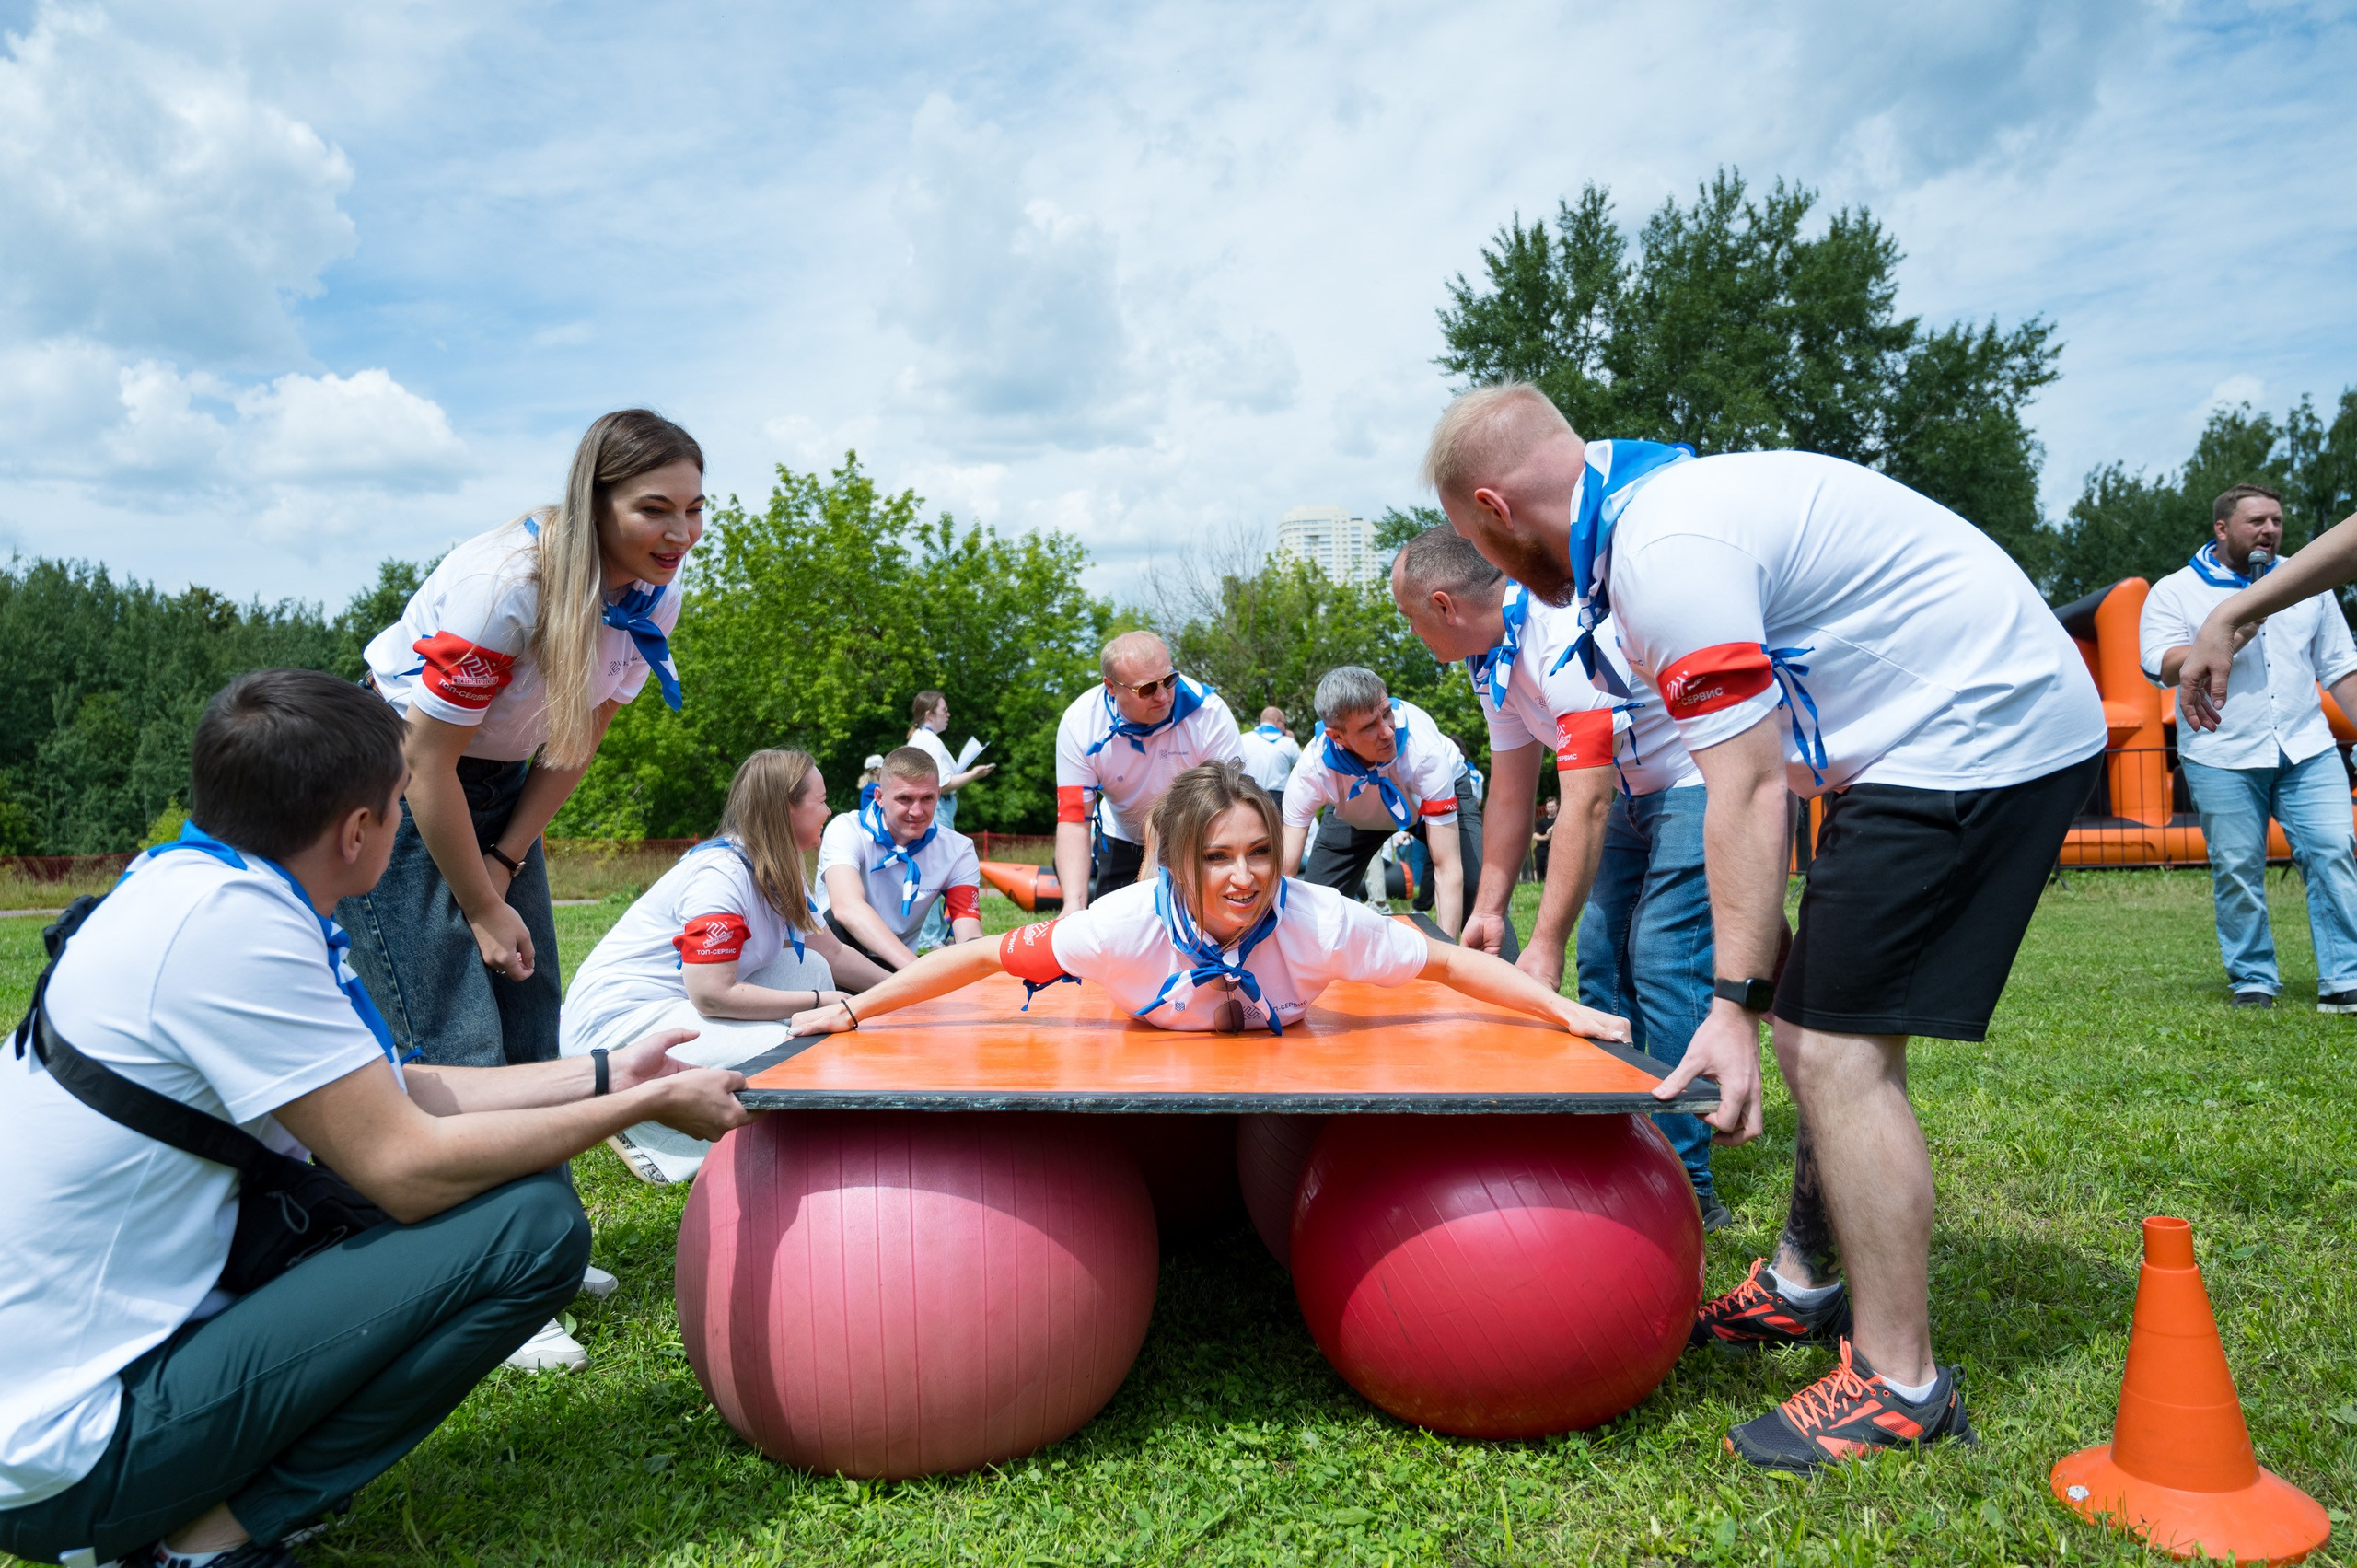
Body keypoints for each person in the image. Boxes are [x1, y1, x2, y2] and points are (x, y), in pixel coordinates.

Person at [1428, 382, 2105, 1470]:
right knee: (1817, 1019)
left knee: (1827, 1045)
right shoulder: (1647, 522)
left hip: (1977, 726)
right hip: (1911, 739)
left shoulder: (1663, 547)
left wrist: (1732, 1003)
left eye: (1478, 544)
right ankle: (1804, 1280)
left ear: (1496, 506)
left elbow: (1743, 790)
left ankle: (1899, 1382)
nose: (1496, 571)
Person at [0, 670, 751, 1568]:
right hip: (72, 1458)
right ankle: (205, 1542)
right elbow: (407, 1162)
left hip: (56, 1401)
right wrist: (644, 1105)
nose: (405, 827)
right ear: (360, 830)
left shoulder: (191, 885)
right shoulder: (236, 929)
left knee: (422, 1205)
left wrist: (604, 1072)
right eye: (403, 804)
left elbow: (394, 1090)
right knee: (532, 1226)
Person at [340, 407, 702, 1371]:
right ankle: (483, 1280)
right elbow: (425, 767)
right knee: (455, 1026)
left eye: (696, 509)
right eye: (656, 507)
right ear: (596, 499)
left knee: (529, 1013)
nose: (680, 532)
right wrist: (477, 900)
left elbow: (576, 743)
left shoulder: (650, 593)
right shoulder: (503, 585)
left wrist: (504, 867)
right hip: (404, 780)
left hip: (494, 786)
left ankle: (539, 1241)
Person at [786, 761, 1631, 1048]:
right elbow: (974, 956)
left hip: (1278, 1044)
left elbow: (1447, 961)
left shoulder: (1320, 918)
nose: (1244, 875)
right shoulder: (1123, 923)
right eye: (1217, 856)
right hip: (1159, 1037)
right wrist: (856, 1011)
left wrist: (1560, 1009)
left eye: (1259, 851)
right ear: (1179, 861)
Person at [1392, 525, 1726, 1227]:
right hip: (1627, 793)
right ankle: (1618, 1138)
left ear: (1446, 605)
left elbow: (1586, 800)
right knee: (1603, 962)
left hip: (1689, 779)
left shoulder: (1554, 632)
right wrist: (1488, 909)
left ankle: (1684, 1180)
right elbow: (1513, 791)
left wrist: (1543, 946)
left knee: (1665, 958)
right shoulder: (1490, 660)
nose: (1411, 634)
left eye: (1410, 617)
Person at [560, 749, 892, 1185]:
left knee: (808, 965)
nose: (830, 810)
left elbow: (831, 954)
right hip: (619, 1025)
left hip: (676, 1005)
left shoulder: (780, 865)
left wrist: (909, 992)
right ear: (785, 808)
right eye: (822, 799)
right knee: (797, 1059)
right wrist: (820, 1002)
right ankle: (642, 1126)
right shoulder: (721, 875)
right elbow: (711, 994)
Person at [2141, 482, 2357, 1011]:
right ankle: (2254, 979)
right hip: (2222, 753)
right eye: (2257, 521)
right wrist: (2235, 630)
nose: (2269, 530)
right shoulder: (2175, 590)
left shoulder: (2308, 584)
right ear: (2222, 528)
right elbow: (2161, 665)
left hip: (2307, 746)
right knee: (2238, 868)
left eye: (2277, 521)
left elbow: (2341, 667)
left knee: (2334, 850)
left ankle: (2345, 978)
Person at [1278, 668, 1487, 944]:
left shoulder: (1422, 751)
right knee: (1315, 903)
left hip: (1426, 799)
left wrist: (1446, 959)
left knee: (1479, 891)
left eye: (1387, 712)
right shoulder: (1311, 771)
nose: (1387, 732)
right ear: (1337, 737)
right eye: (1369, 727)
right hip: (1355, 812)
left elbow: (1447, 867)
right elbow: (1284, 871)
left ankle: (1514, 982)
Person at [1053, 631, 1244, 910]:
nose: (1163, 696)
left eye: (1169, 680)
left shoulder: (1209, 714)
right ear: (1111, 686)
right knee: (1111, 934)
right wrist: (1073, 905)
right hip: (1122, 835)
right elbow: (1073, 820)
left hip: (1194, 835)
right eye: (1147, 689)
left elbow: (1230, 807)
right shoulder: (1080, 724)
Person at [815, 747, 984, 970]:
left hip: (897, 965)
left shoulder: (958, 850)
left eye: (927, 798)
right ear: (880, 797)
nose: (917, 811)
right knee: (836, 923)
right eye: (905, 798)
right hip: (838, 959)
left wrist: (975, 959)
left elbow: (969, 931)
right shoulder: (847, 829)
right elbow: (847, 908)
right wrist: (917, 971)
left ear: (938, 795)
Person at [904, 691, 994, 950]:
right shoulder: (930, 742)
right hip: (939, 810)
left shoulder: (924, 739)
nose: (949, 714)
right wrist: (975, 774)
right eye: (944, 710)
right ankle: (933, 938)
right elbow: (943, 783)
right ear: (929, 714)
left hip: (940, 809)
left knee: (932, 869)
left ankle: (935, 935)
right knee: (937, 870)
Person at [1237, 705, 1302, 812]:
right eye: (1284, 724)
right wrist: (1292, 740)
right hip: (1278, 802)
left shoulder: (1242, 739)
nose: (1285, 728)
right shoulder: (1288, 743)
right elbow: (1305, 767)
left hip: (1247, 797)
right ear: (1277, 721)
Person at [1532, 796, 1559, 879]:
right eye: (1549, 807)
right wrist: (1545, 837)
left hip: (1558, 848)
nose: (1551, 809)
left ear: (1556, 807)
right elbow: (1534, 835)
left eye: (1552, 807)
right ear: (1546, 809)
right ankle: (1540, 881)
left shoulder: (1561, 819)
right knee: (1539, 855)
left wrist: (1552, 828)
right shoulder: (1542, 821)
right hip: (1543, 848)